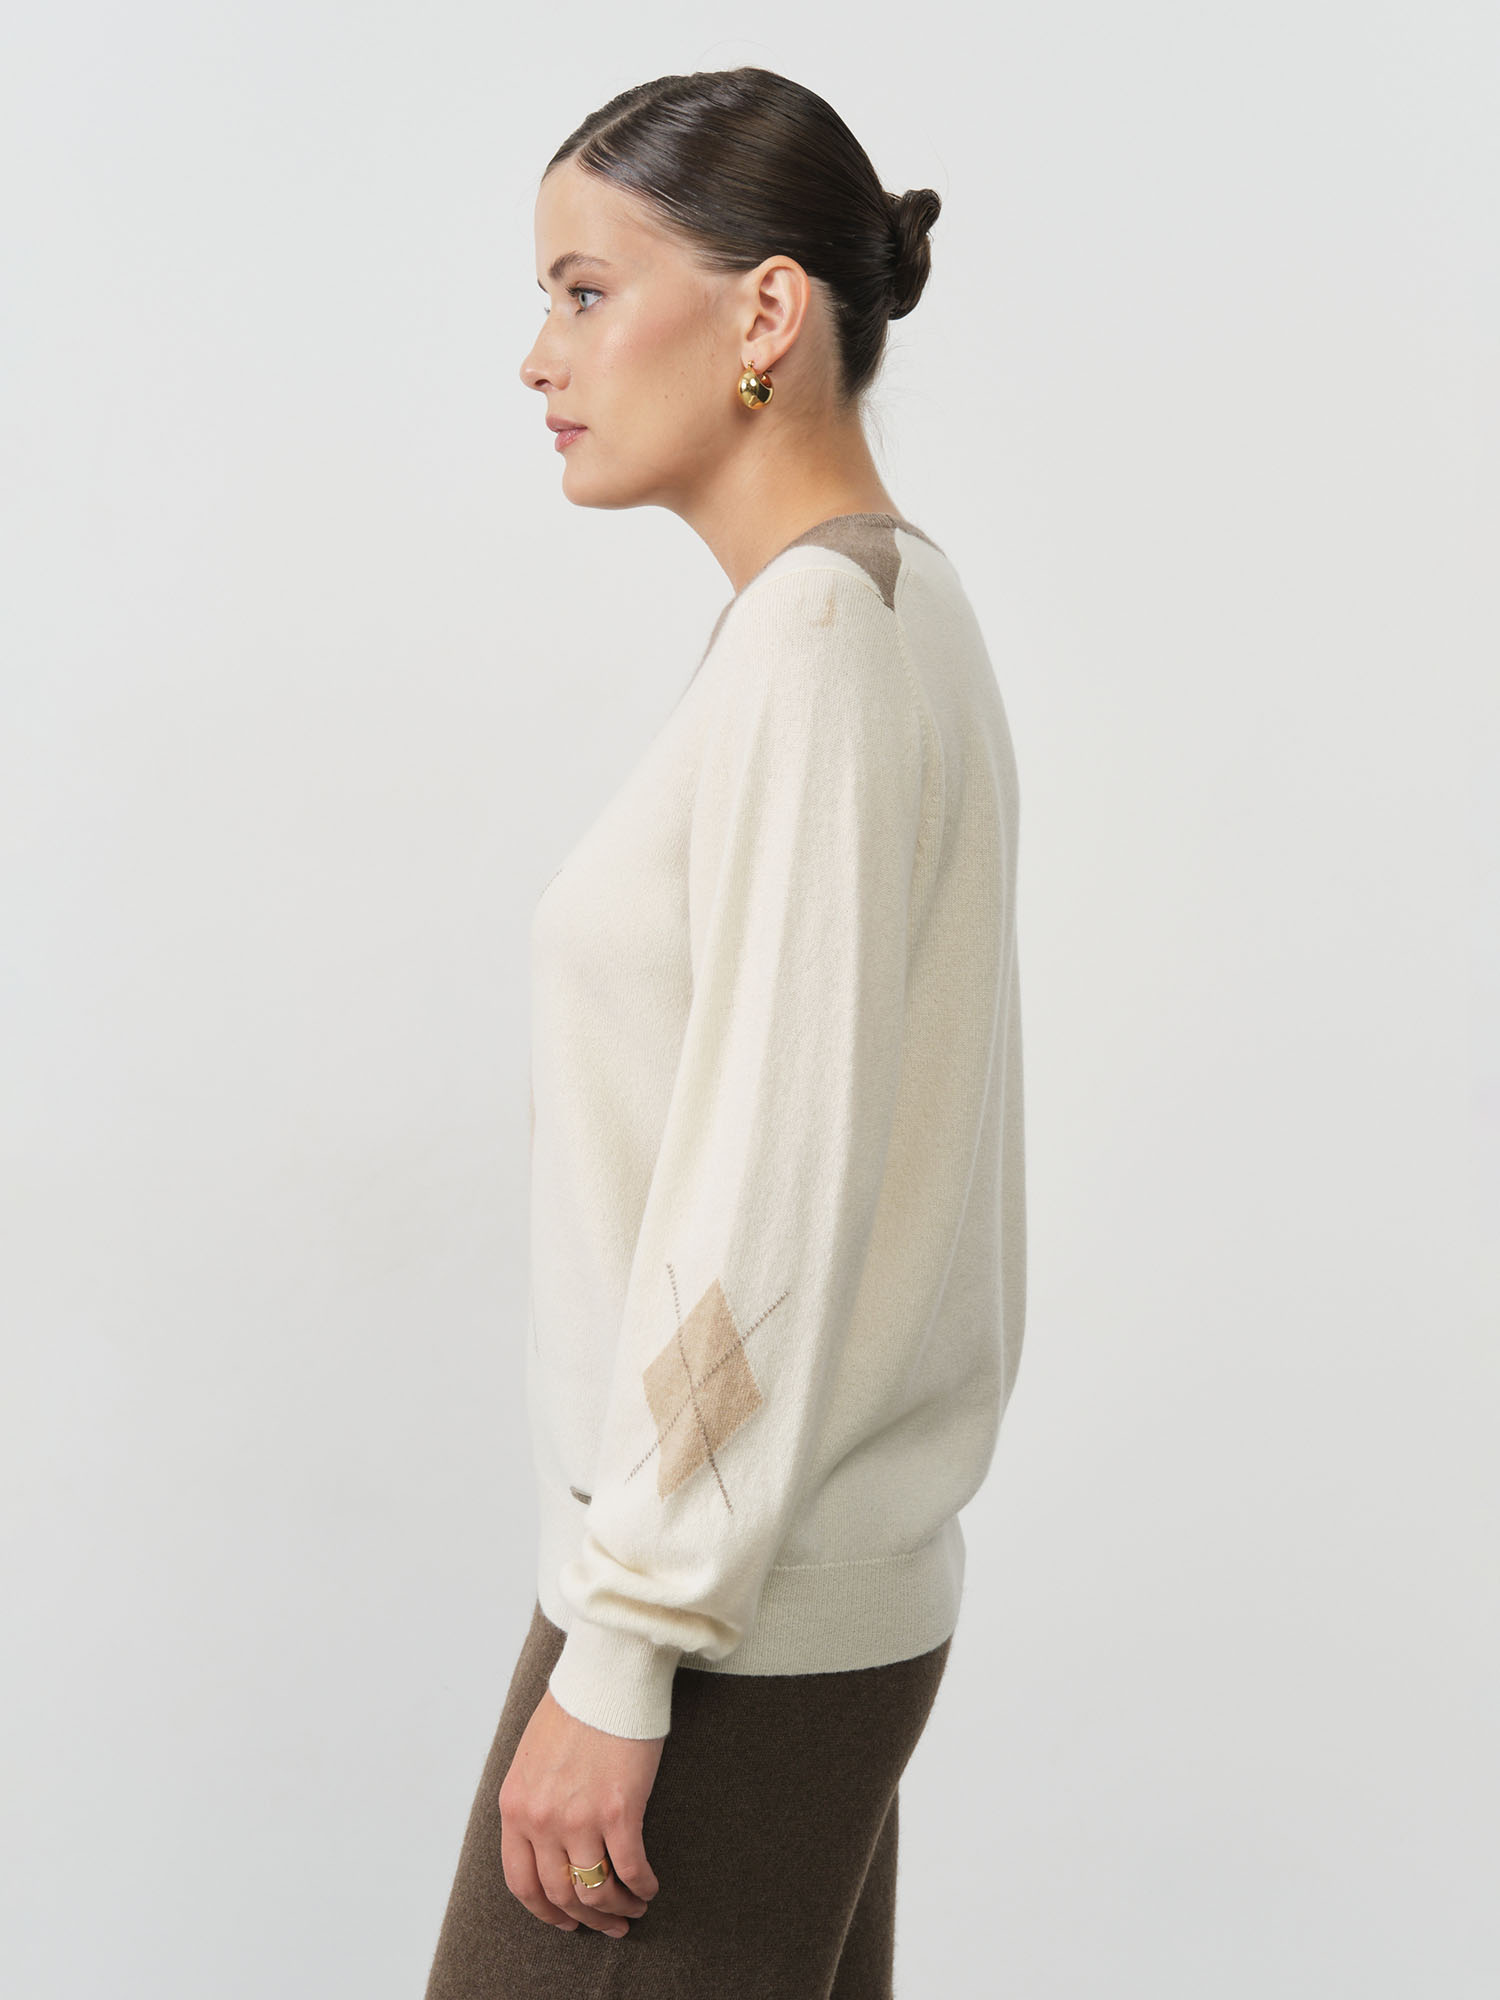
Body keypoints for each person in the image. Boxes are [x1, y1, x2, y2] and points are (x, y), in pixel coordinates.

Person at [424, 64, 1027, 1999]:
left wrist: (623, 1647)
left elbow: (769, 1172)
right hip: (783, 1604)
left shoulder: (821, 646)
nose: (539, 355)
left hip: (716, 1635)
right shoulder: (885, 608)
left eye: (586, 290)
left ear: (766, 311)